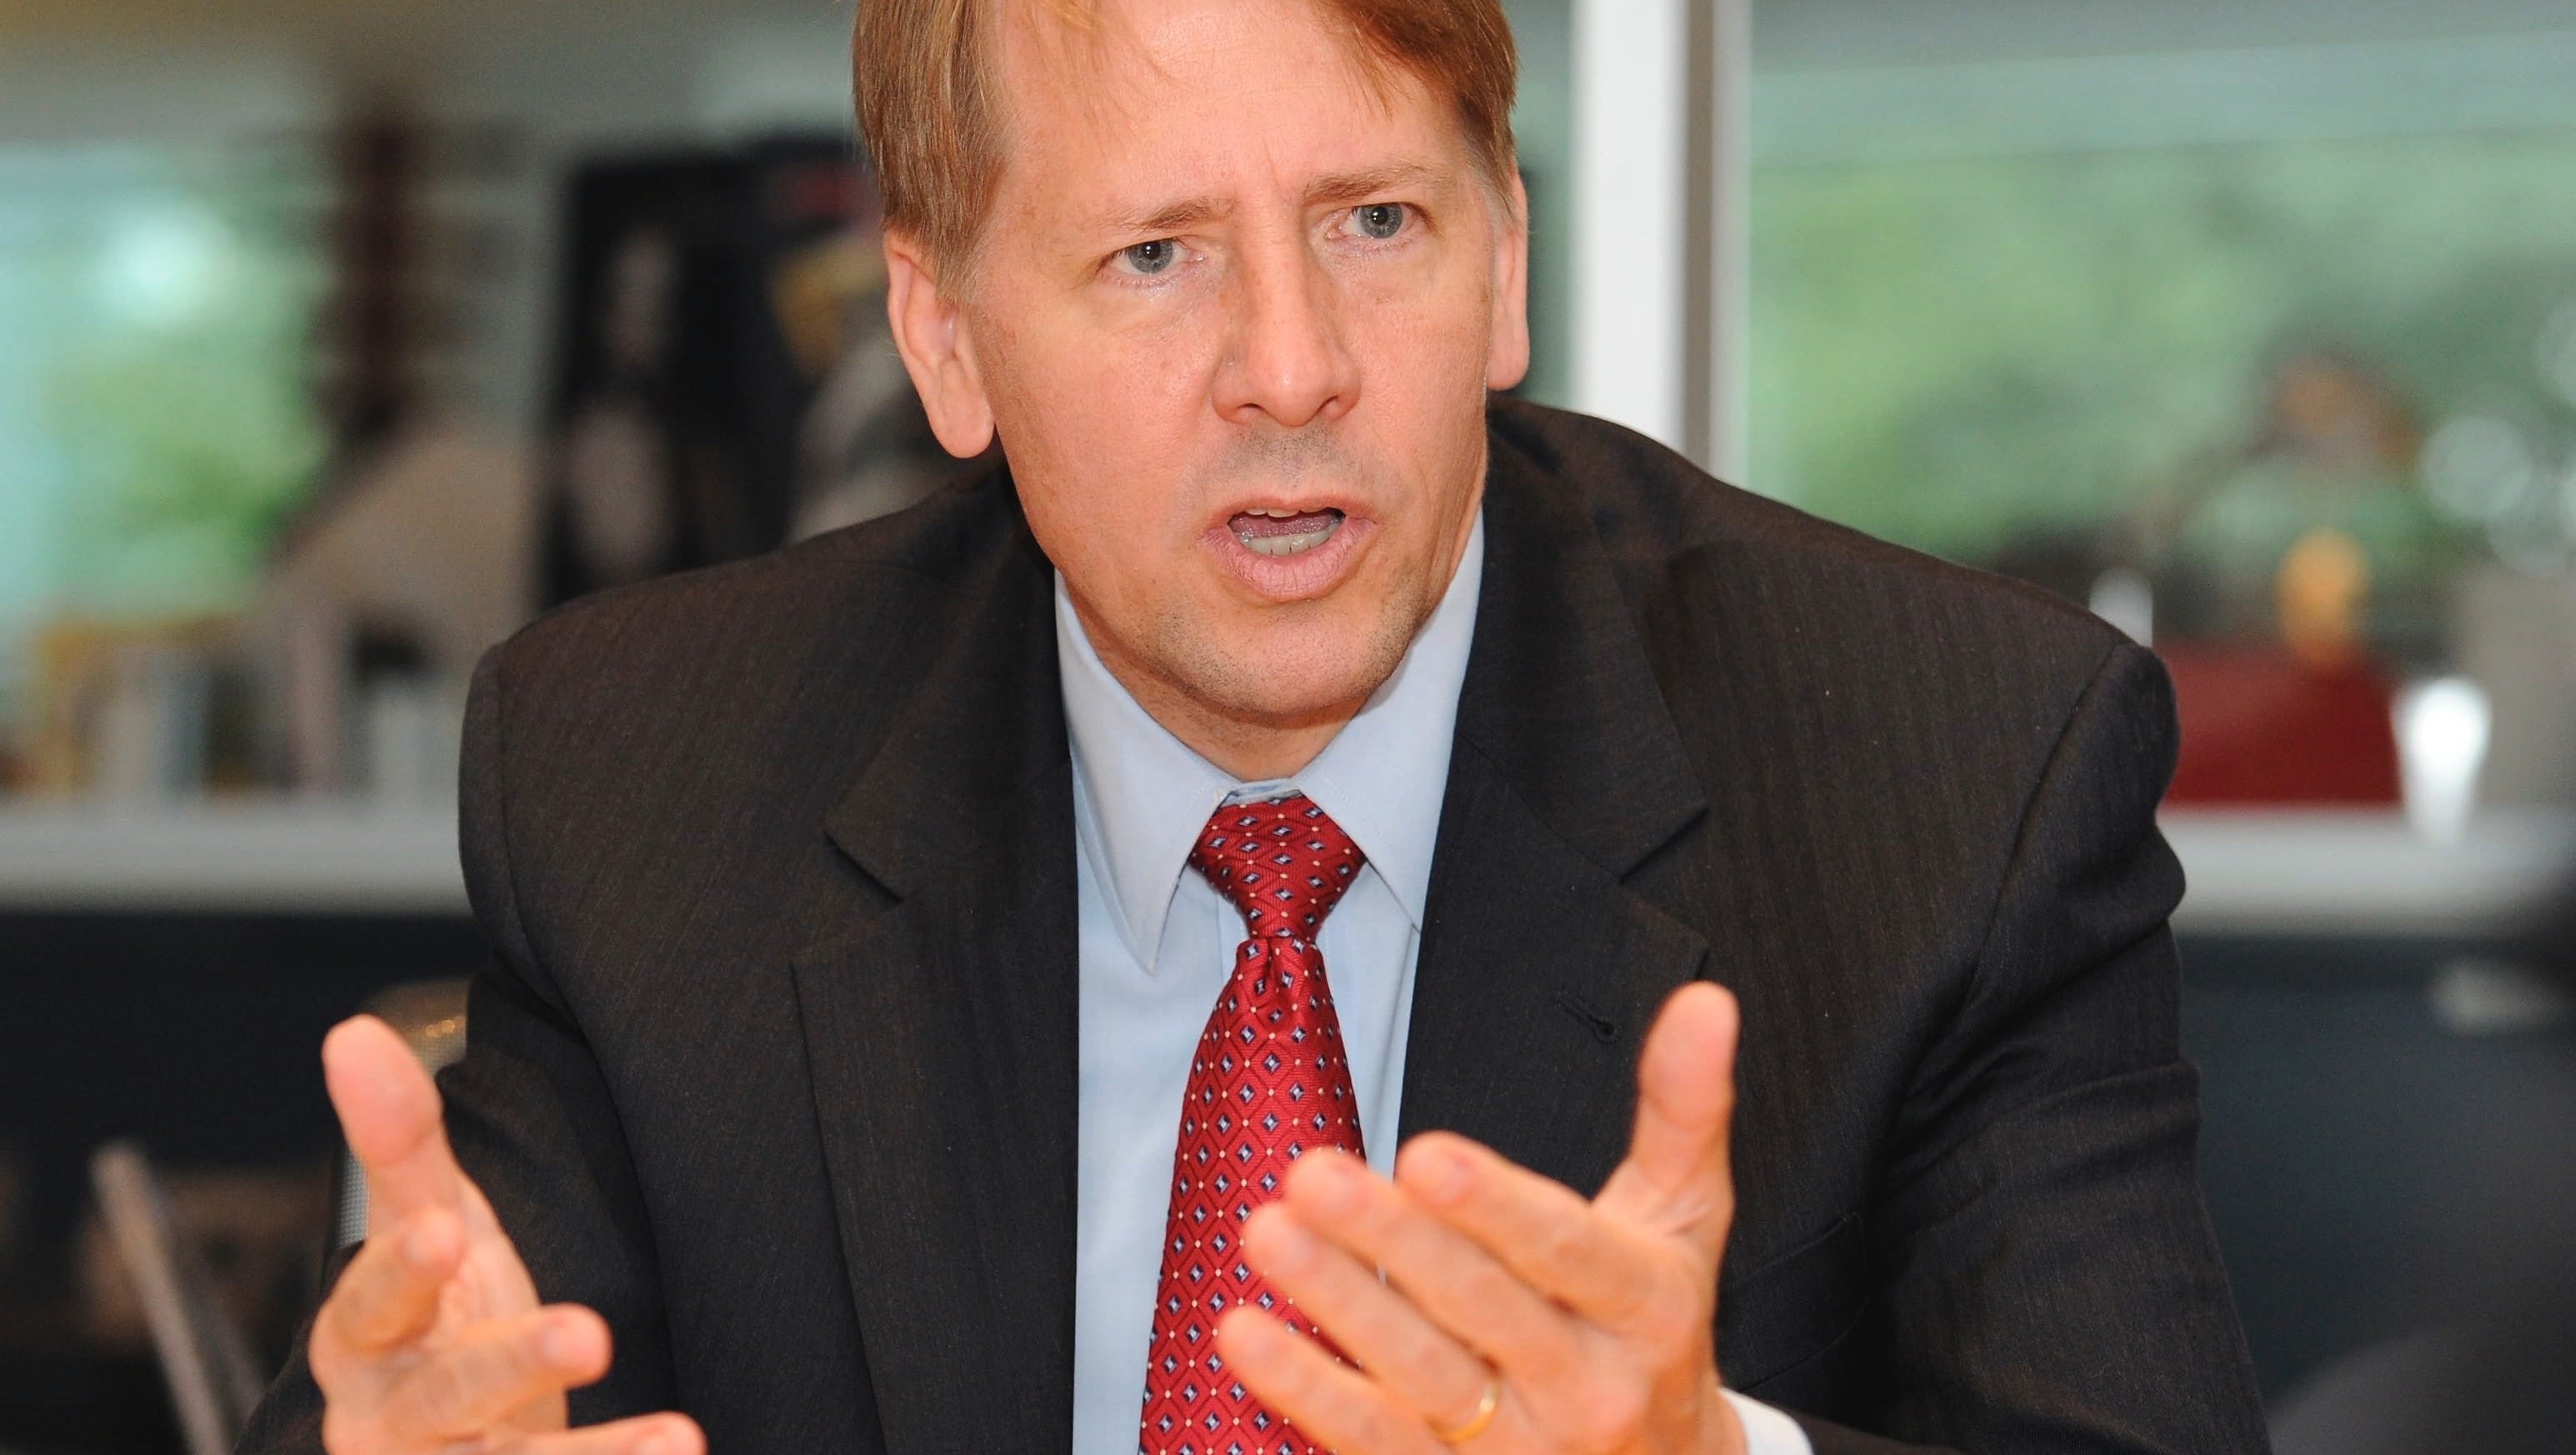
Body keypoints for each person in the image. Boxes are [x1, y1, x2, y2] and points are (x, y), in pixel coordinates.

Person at [238, 1, 2269, 1452]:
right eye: (1154, 257)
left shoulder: (1952, 771)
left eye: (1377, 225)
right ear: (944, 338)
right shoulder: (642, 777)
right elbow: (468, 1388)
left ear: (1504, 270)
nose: (1289, 370)